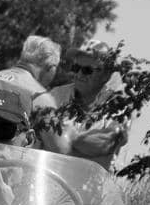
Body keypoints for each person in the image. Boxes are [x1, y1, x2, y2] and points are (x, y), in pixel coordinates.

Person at [48, 37, 127, 169]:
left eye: (87, 70)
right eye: (76, 67)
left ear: (106, 75)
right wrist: (77, 144)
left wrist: (63, 139)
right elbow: (39, 132)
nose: (79, 74)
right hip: (51, 177)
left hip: (90, 184)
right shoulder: (57, 95)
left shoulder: (117, 105)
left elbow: (104, 143)